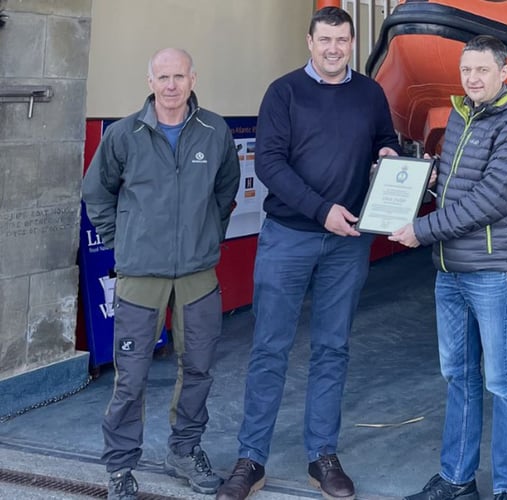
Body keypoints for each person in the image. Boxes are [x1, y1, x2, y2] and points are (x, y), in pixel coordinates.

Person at [215, 7, 400, 500]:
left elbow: (386, 139)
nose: (334, 48)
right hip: (289, 237)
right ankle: (251, 459)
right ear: (310, 41)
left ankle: (323, 455)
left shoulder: (370, 93)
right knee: (270, 348)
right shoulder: (284, 92)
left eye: (342, 40)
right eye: (325, 40)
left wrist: (388, 153)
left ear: (353, 42)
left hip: (348, 243)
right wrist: (322, 211)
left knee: (332, 348)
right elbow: (270, 164)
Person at [82, 48, 240, 500]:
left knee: (199, 368)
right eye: (162, 77)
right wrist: (121, 244)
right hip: (140, 277)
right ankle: (119, 468)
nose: (171, 85)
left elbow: (227, 190)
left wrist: (208, 235)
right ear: (149, 81)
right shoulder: (124, 135)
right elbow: (97, 193)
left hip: (197, 274)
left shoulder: (215, 131)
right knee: (130, 376)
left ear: (193, 78)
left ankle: (185, 450)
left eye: (179, 76)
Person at [390, 35, 507, 500]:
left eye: (482, 70)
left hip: (494, 272)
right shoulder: (460, 114)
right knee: (459, 375)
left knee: (502, 382)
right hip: (450, 271)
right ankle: (457, 479)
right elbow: (459, 185)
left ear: (504, 71)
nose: (473, 79)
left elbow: (494, 199)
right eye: (467, 70)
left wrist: (424, 229)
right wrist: (430, 177)